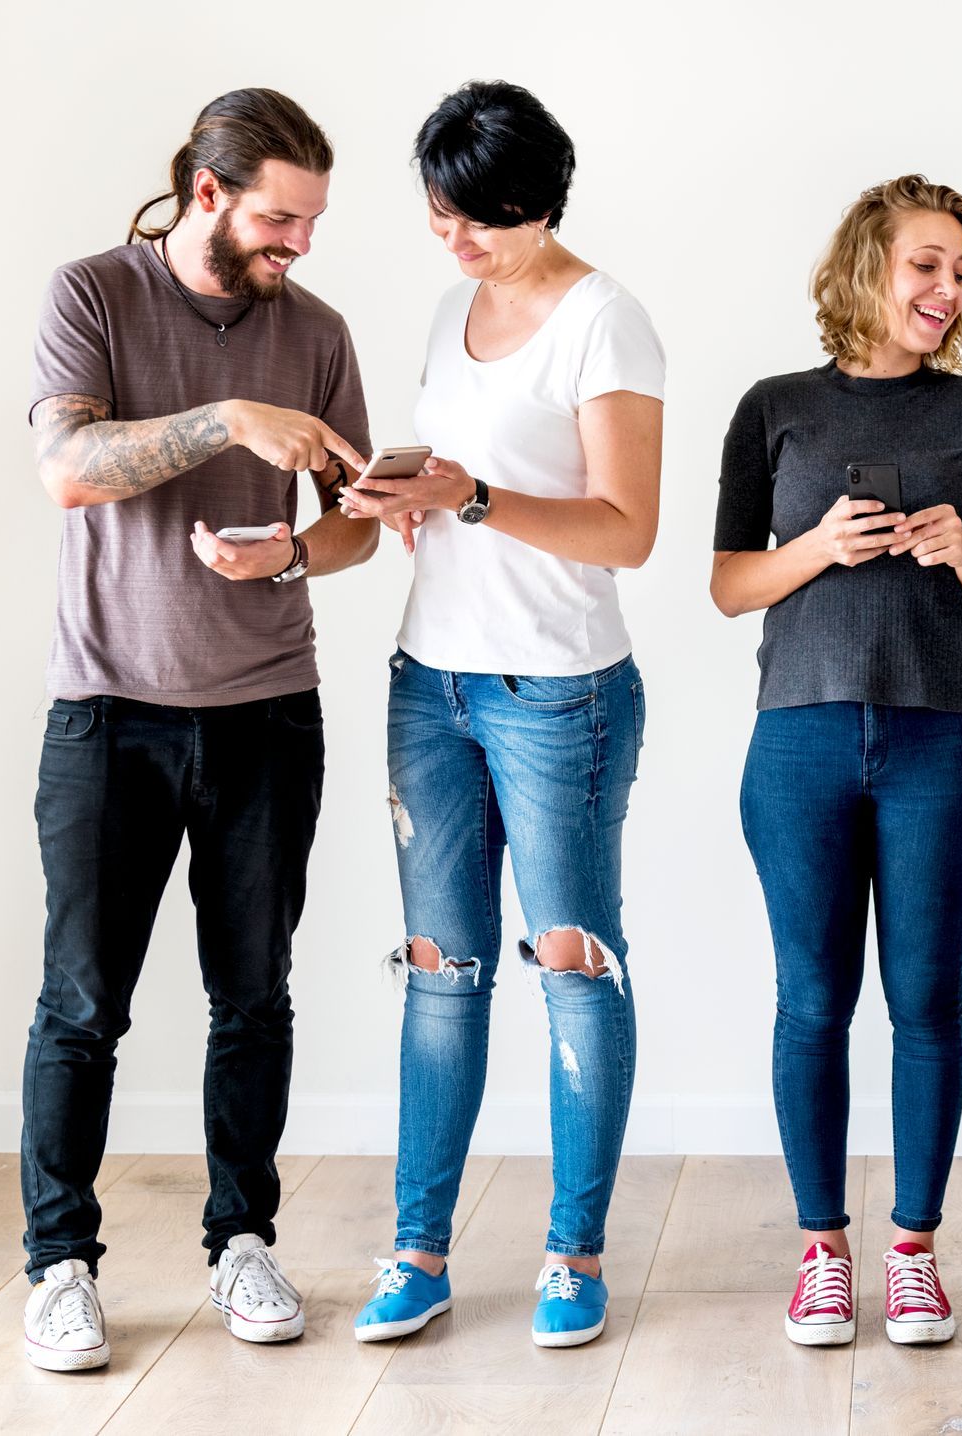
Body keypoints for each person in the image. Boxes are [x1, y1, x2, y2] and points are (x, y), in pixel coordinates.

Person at [20, 88, 375, 1372]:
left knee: (255, 997)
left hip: (270, 714)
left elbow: (352, 515)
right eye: (283, 218)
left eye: (315, 220)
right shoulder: (94, 295)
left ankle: (244, 1238)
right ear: (208, 192)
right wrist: (231, 416)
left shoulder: (319, 331)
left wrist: (293, 545)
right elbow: (66, 470)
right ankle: (59, 1263)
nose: (302, 243)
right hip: (108, 712)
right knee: (81, 1003)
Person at [338, 81, 665, 1351]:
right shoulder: (446, 306)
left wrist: (475, 496)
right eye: (437, 214)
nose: (456, 240)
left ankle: (573, 1253)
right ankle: (418, 1251)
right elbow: (465, 481)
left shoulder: (607, 322)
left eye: (482, 220)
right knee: (441, 973)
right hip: (431, 682)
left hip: (558, 692)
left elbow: (625, 529)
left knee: (574, 970)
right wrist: (408, 496)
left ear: (543, 203)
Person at [711, 175, 962, 1348]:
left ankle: (916, 1252)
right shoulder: (774, 405)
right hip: (800, 734)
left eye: (959, 271)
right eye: (926, 266)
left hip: (941, 733)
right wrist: (817, 547)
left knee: (927, 997)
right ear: (866, 269)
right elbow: (729, 583)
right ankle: (823, 1253)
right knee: (812, 1000)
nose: (946, 290)